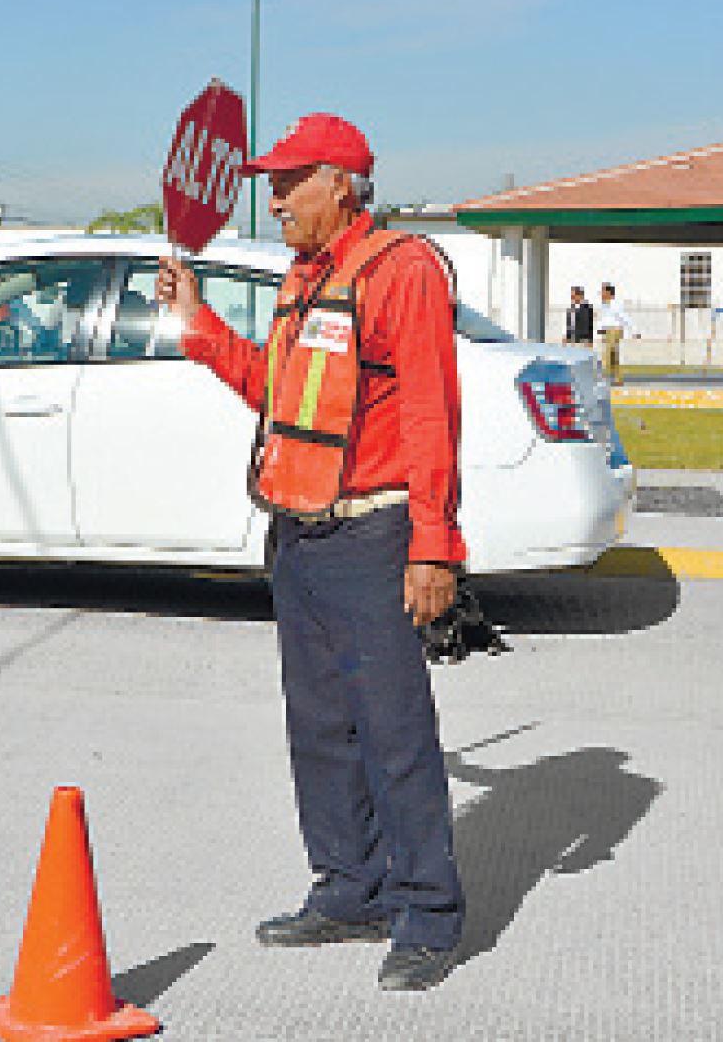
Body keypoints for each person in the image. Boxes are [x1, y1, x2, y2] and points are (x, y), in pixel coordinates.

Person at [156, 113, 465, 991]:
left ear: (343, 183)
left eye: (290, 180)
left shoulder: (400, 271)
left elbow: (430, 417)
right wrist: (196, 321)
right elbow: (275, 393)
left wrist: (434, 547)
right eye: (271, 180)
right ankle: (348, 889)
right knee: (320, 732)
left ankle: (429, 914)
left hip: (376, 538)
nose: (273, 195)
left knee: (394, 736)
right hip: (298, 535)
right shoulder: (303, 277)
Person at [595, 281, 638, 384]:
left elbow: (625, 318)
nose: (601, 294)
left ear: (609, 293)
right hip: (608, 331)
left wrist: (634, 330)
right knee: (614, 356)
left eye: (603, 292)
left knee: (607, 354)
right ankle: (618, 379)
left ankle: (603, 378)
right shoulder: (605, 306)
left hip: (614, 331)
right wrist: (600, 328)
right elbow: (605, 319)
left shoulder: (615, 305)